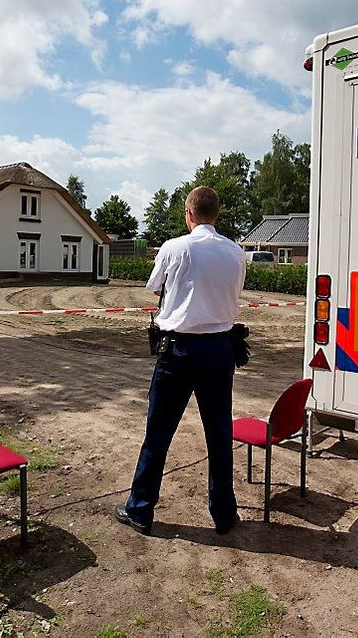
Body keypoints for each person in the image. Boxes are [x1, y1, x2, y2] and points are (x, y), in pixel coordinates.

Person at [115, 186, 247, 535]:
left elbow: (155, 287)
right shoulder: (236, 252)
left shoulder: (174, 248)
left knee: (158, 433)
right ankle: (223, 513)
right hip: (220, 349)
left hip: (179, 350)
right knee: (219, 434)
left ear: (188, 215)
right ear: (215, 215)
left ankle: (141, 509)